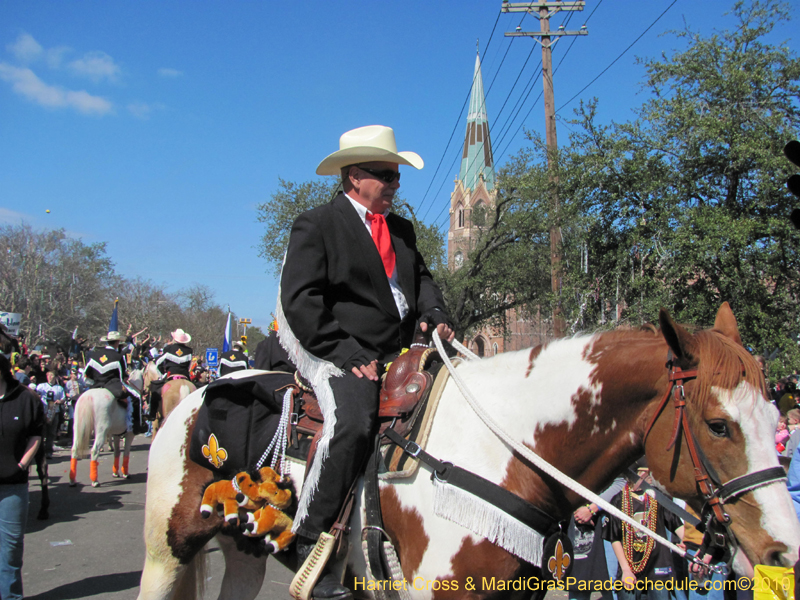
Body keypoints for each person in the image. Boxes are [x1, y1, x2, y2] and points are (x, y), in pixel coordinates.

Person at [278, 125, 454, 599]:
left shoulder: (402, 229)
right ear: (355, 177)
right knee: (354, 421)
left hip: (398, 350)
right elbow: (300, 301)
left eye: (397, 177)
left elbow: (422, 278)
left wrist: (435, 313)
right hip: (338, 350)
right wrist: (344, 351)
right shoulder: (316, 224)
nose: (396, 185)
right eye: (387, 176)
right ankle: (309, 543)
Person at [0, 353, 45, 600]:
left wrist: (22, 464)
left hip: (11, 485)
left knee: (10, 550)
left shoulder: (26, 398)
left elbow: (36, 434)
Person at [603, 464, 684, 600]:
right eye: (644, 473)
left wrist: (685, 540)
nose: (649, 477)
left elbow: (675, 522)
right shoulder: (618, 500)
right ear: (632, 475)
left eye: (650, 473)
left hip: (658, 567)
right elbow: (614, 537)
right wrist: (626, 570)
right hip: (630, 566)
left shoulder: (658, 498)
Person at [147, 329, 193, 420]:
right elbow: (188, 366)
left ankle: (152, 414)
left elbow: (158, 363)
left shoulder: (168, 348)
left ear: (174, 339)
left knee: (155, 391)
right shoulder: (189, 350)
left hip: (171, 376)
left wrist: (162, 373)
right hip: (185, 376)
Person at [35, 369, 66, 458]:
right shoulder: (41, 386)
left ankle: (48, 451)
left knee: (51, 433)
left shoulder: (59, 388)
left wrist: (59, 401)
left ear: (55, 377)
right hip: (43, 412)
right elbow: (36, 395)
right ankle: (39, 451)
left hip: (54, 412)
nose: (50, 377)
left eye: (51, 375)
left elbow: (63, 398)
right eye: (48, 375)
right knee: (41, 432)